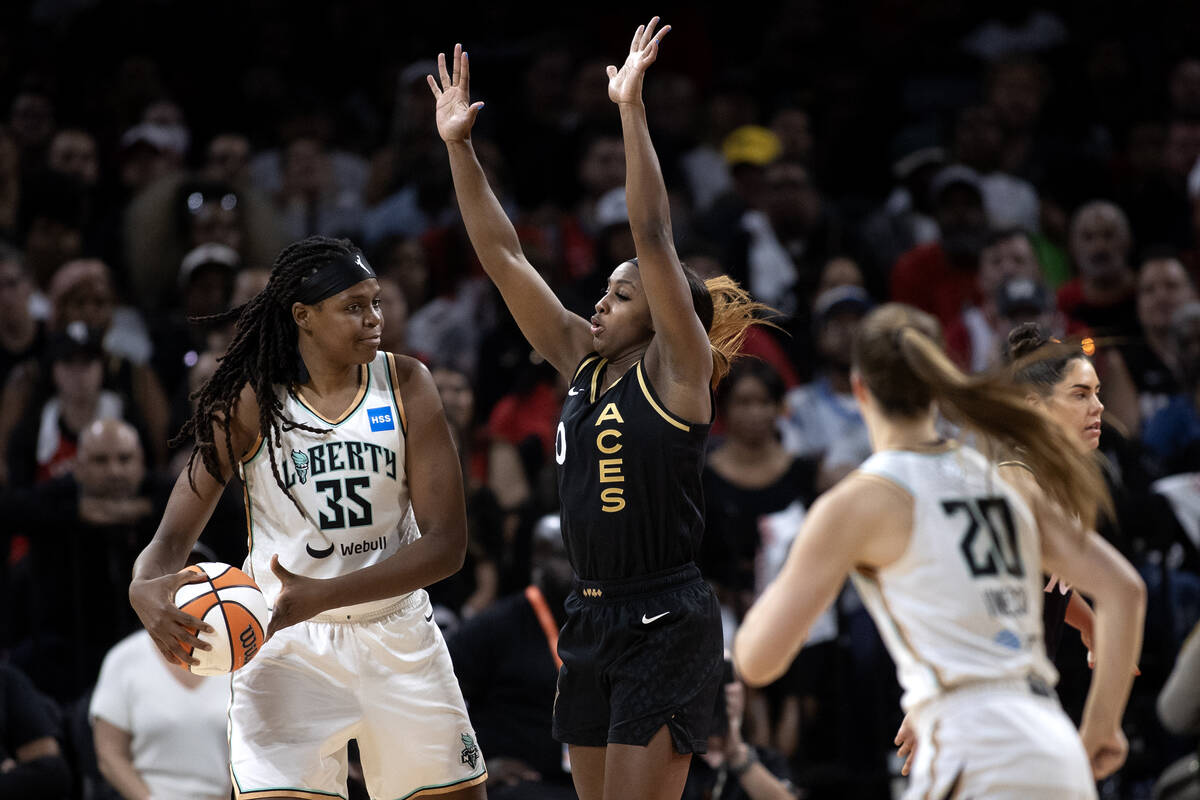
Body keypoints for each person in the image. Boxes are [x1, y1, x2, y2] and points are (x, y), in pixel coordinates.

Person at [429, 20, 771, 800]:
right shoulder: (580, 365)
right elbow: (504, 257)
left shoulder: (680, 373)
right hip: (589, 613)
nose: (601, 301)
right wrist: (458, 147)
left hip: (665, 617)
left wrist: (630, 108)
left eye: (622, 294)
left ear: (661, 312)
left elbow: (650, 230)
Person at [734, 303, 1146, 798]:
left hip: (974, 750)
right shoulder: (996, 479)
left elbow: (757, 662)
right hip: (1050, 743)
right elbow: (1124, 589)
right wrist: (1102, 729)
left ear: (861, 388)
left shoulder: (861, 498)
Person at [127, 235, 487, 800]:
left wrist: (325, 594)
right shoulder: (249, 403)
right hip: (284, 646)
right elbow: (172, 537)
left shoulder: (407, 382)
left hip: (397, 633)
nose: (374, 319)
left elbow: (446, 546)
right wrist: (141, 589)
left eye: (376, 302)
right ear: (304, 316)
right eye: (353, 306)